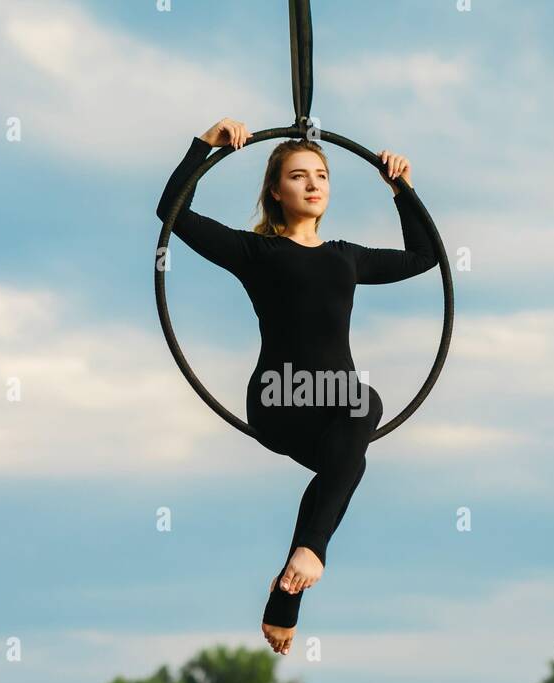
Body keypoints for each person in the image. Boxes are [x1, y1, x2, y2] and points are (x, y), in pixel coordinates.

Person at [156, 117, 437, 655]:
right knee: (363, 410)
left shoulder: (345, 257)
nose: (312, 184)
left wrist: (401, 188)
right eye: (299, 176)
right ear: (275, 191)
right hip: (279, 398)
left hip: (336, 408)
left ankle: (292, 582)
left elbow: (424, 258)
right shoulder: (256, 253)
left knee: (349, 450)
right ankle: (308, 554)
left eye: (322, 176)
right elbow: (173, 214)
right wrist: (203, 147)